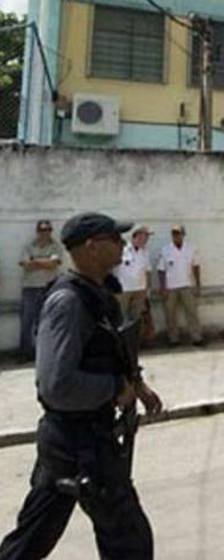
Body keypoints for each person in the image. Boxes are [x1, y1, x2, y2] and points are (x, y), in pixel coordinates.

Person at [0, 212, 162, 559]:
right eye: (114, 239)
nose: (122, 244)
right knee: (129, 540)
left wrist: (138, 385)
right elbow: (56, 385)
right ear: (91, 247)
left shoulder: (99, 294)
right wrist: (113, 390)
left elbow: (110, 351)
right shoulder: (69, 302)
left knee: (33, 538)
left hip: (78, 439)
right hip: (78, 440)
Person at [18, 220, 63, 361]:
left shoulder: (56, 246)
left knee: (47, 322)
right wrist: (45, 261)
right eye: (43, 230)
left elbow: (54, 264)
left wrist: (35, 261)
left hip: (49, 288)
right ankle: (25, 353)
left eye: (48, 230)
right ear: (38, 231)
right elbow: (25, 265)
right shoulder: (28, 245)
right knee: (27, 323)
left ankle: (44, 354)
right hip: (30, 288)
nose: (46, 233)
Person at [156, 225, 203, 346]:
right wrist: (163, 287)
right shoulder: (165, 250)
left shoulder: (191, 248)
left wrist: (198, 284)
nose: (176, 236)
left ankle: (196, 337)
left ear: (183, 235)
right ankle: (173, 339)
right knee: (170, 315)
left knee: (192, 313)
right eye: (173, 234)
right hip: (170, 287)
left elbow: (196, 266)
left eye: (178, 234)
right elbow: (161, 270)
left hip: (187, 285)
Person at [114, 226, 152, 325]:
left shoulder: (145, 252)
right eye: (146, 236)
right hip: (123, 289)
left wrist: (147, 288)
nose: (147, 239)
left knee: (136, 318)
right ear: (137, 236)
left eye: (147, 237)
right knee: (119, 316)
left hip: (140, 289)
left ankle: (134, 339)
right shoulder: (122, 249)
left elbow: (148, 271)